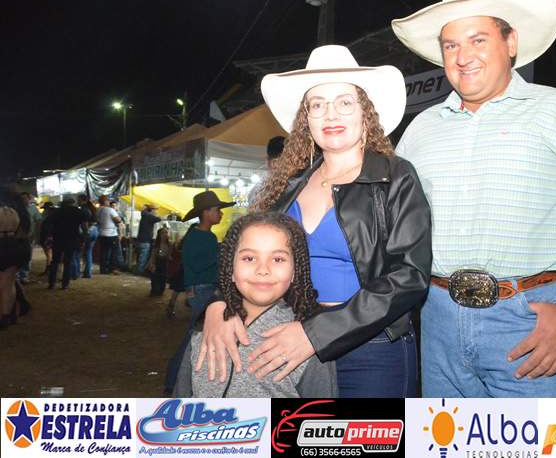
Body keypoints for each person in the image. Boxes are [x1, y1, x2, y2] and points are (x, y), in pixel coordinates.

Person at [391, 0, 556, 397]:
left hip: (529, 319)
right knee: (448, 435)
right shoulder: (421, 128)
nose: (463, 56)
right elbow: (397, 223)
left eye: (478, 40)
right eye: (451, 45)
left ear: (511, 43)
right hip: (437, 318)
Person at [198, 45, 432, 397]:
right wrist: (218, 303)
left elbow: (410, 276)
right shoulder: (287, 185)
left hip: (372, 348)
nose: (330, 114)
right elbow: (245, 253)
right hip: (286, 338)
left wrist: (315, 334)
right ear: (305, 118)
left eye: (345, 102)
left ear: (366, 113)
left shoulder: (395, 176)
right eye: (317, 105)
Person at [174, 212, 337, 398]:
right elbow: (180, 400)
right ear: (231, 268)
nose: (263, 270)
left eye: (278, 259)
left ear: (295, 271)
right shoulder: (207, 329)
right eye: (249, 258)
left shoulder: (306, 341)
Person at [163, 190, 233, 394]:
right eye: (217, 210)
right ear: (206, 212)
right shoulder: (203, 237)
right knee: (194, 338)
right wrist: (220, 253)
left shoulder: (199, 235)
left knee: (196, 336)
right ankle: (173, 379)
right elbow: (196, 264)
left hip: (201, 289)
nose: (220, 213)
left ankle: (173, 379)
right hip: (202, 290)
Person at [47, 197, 89, 290]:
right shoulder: (78, 212)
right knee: (68, 261)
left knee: (55, 261)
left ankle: (52, 283)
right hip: (72, 238)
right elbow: (85, 227)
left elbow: (49, 225)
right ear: (73, 203)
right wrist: (84, 238)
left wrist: (49, 237)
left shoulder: (56, 212)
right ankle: (65, 284)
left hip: (58, 238)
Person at [15, 192, 41, 284]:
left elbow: (38, 221)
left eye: (25, 198)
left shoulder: (33, 209)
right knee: (17, 256)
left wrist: (36, 235)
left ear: (29, 199)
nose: (23, 200)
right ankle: (17, 277)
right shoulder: (15, 208)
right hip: (16, 237)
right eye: (22, 199)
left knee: (27, 256)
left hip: (29, 237)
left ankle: (24, 276)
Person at [97, 195, 124, 274]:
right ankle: (112, 268)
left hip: (101, 233)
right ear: (105, 201)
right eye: (108, 200)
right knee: (114, 252)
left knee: (104, 252)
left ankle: (103, 269)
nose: (109, 202)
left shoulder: (98, 210)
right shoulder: (110, 210)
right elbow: (118, 220)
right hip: (111, 234)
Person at [136, 204, 162, 275]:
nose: (156, 212)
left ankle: (139, 269)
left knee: (140, 256)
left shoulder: (144, 215)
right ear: (152, 210)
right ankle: (140, 271)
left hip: (141, 239)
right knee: (143, 257)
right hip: (145, 240)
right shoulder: (149, 216)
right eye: (156, 210)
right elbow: (159, 219)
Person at [146, 227, 172, 297]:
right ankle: (154, 291)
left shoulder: (169, 244)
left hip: (164, 262)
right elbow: (153, 255)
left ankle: (160, 291)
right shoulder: (156, 244)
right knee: (154, 277)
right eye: (163, 233)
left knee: (163, 278)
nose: (165, 234)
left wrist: (169, 258)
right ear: (159, 235)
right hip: (157, 261)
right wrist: (151, 263)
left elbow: (169, 255)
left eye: (166, 232)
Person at [77, 194, 98, 278]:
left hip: (88, 231)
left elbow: (84, 223)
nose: (77, 201)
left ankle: (83, 272)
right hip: (95, 230)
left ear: (82, 200)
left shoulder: (84, 209)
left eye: (78, 199)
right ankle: (88, 272)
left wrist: (85, 233)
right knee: (88, 252)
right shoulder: (92, 208)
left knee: (83, 252)